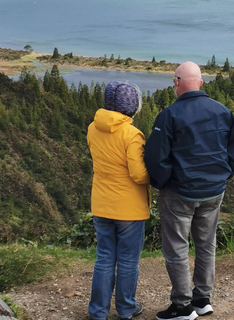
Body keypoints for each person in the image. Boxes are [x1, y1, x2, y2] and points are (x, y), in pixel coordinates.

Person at [144, 61, 234, 320]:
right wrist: (222, 178)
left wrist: (163, 182)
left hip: (180, 192)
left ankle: (182, 306)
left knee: (177, 247)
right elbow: (233, 154)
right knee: (206, 244)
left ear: (176, 82)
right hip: (213, 191)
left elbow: (155, 157)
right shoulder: (223, 112)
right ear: (200, 82)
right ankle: (202, 299)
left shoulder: (169, 115)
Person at [87, 81, 150, 320]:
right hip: (129, 209)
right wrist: (155, 174)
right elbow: (138, 174)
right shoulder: (132, 134)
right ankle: (126, 309)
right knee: (127, 261)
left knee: (104, 257)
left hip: (101, 204)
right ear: (132, 106)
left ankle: (98, 312)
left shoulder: (93, 128)